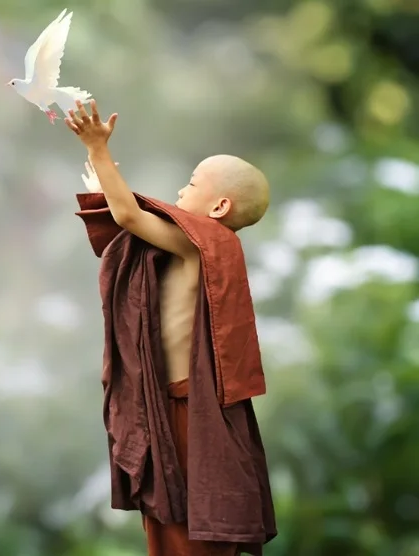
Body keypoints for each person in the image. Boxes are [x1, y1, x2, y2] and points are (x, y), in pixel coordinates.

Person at [65, 100, 277, 555]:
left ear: (219, 206)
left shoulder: (203, 244)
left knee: (187, 529)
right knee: (168, 529)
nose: (182, 190)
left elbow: (129, 217)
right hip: (165, 408)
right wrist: (104, 179)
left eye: (193, 183)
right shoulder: (194, 246)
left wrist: (99, 149)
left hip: (188, 413)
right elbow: (129, 221)